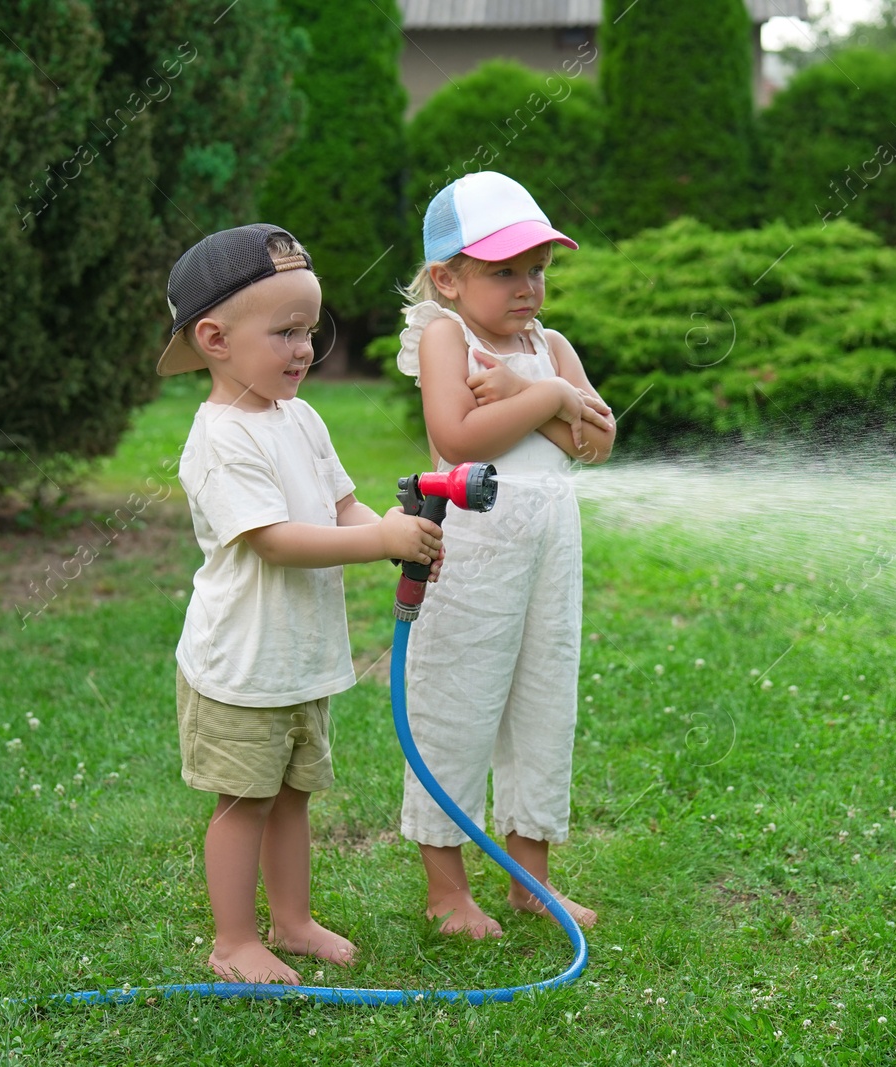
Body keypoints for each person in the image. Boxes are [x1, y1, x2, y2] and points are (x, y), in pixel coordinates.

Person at [158, 224, 444, 984]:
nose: (304, 350)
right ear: (215, 338)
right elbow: (276, 540)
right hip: (241, 663)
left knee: (291, 797)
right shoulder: (220, 438)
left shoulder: (302, 419)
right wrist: (377, 536)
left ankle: (291, 919)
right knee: (242, 803)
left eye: (310, 331)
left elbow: (341, 506)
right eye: (285, 332)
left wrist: (388, 537)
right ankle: (233, 940)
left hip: (301, 657)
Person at [393, 171, 616, 938]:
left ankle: (530, 879)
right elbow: (457, 437)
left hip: (552, 551)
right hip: (476, 553)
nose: (527, 286)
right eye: (504, 271)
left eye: (538, 269)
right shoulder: (446, 337)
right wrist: (551, 400)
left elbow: (599, 441)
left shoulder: (547, 346)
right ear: (447, 279)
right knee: (458, 702)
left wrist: (533, 392)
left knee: (543, 704)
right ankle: (447, 889)